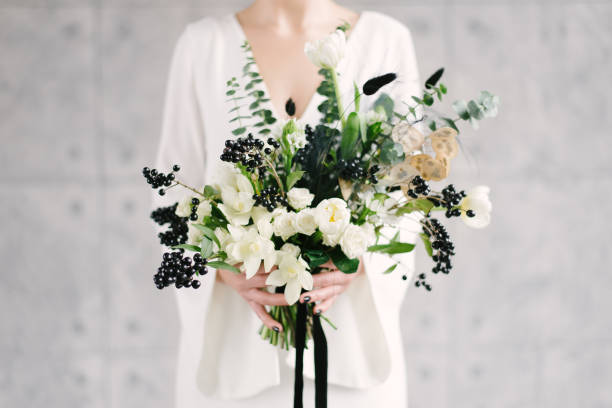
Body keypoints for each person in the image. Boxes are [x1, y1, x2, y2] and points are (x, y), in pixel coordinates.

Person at [152, 1, 422, 406]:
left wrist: (353, 261)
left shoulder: (385, 42)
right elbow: (172, 196)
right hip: (235, 360)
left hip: (350, 359)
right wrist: (226, 270)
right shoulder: (203, 47)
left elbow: (407, 195)